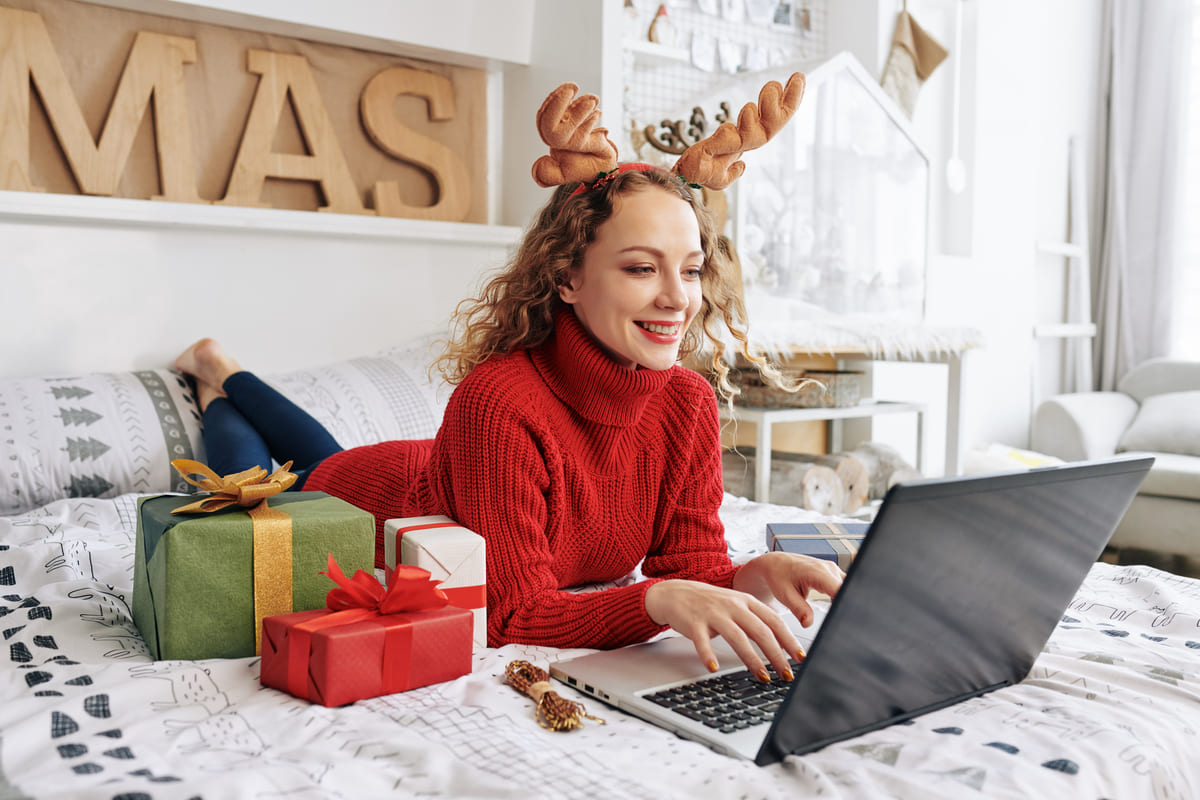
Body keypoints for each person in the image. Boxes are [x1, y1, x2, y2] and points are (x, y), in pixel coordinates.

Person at [175, 76, 844, 683]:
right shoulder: (499, 402)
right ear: (567, 278)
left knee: (319, 446)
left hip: (441, 473)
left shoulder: (687, 402)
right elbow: (513, 614)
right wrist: (652, 600)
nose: (678, 298)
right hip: (361, 495)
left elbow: (690, 569)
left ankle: (218, 371)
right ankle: (216, 378)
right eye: (642, 268)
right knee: (279, 477)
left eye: (691, 270)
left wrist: (745, 576)